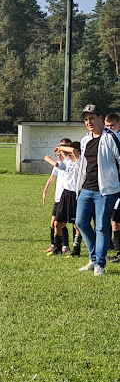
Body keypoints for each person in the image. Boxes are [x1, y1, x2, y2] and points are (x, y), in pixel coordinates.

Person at [70, 104, 120, 276]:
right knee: (81, 223)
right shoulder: (85, 140)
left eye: (91, 118)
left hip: (106, 191)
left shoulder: (111, 138)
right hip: (86, 188)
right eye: (85, 119)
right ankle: (93, 258)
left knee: (101, 227)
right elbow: (83, 165)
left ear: (100, 118)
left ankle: (100, 264)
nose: (88, 122)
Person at [44, 140, 80, 256]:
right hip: (65, 195)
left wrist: (62, 148)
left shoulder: (81, 161)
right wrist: (48, 158)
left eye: (70, 152)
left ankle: (76, 250)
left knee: (76, 224)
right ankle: (57, 248)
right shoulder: (68, 161)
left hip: (75, 195)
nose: (69, 154)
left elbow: (73, 150)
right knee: (57, 223)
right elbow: (58, 165)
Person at [104, 114, 120, 262]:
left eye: (112, 126)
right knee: (114, 219)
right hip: (112, 186)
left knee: (115, 219)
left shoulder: (117, 140)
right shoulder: (106, 139)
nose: (109, 129)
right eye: (106, 126)